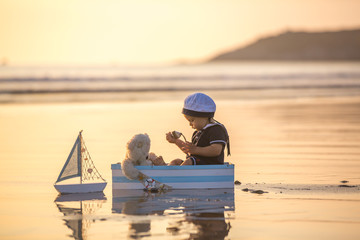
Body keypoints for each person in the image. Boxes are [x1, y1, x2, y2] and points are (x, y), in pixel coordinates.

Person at [166, 92, 230, 165]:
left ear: (204, 116)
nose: (190, 124)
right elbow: (189, 150)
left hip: (210, 164)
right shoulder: (198, 133)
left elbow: (216, 150)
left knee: (189, 162)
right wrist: (176, 141)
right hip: (198, 163)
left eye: (192, 120)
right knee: (176, 161)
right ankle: (170, 175)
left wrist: (195, 150)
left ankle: (178, 175)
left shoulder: (216, 129)